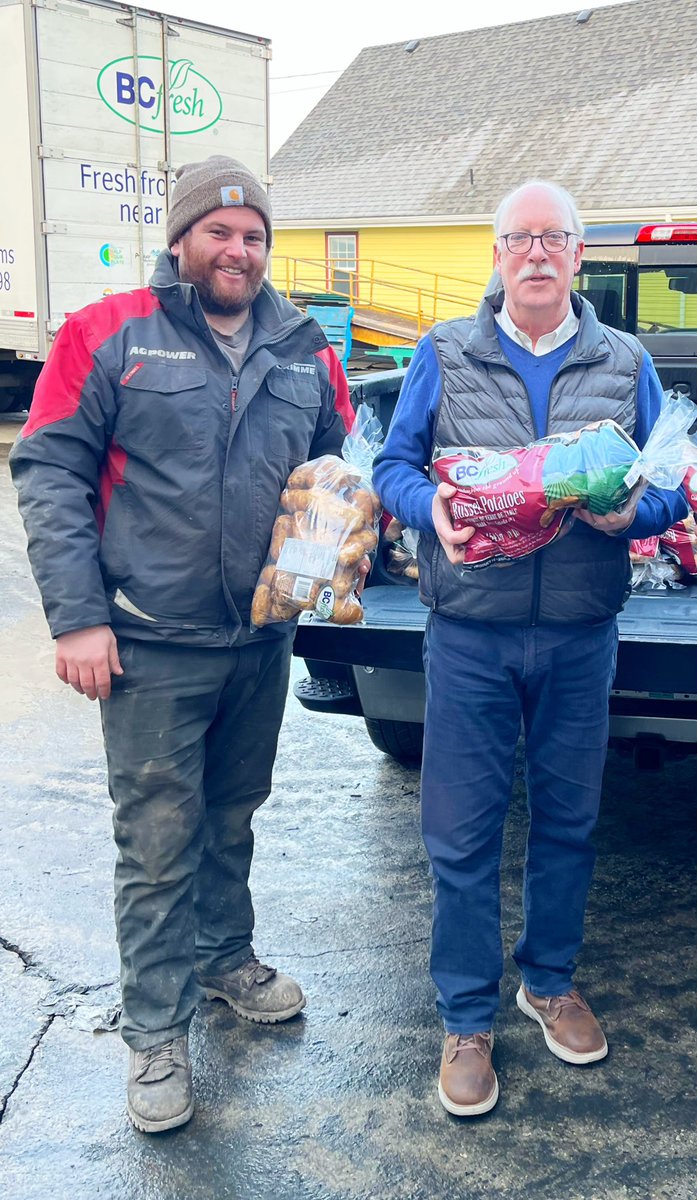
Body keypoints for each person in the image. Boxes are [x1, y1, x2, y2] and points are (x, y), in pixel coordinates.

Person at [11, 156, 355, 1134]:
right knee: (158, 842)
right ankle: (156, 1031)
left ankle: (223, 957)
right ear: (182, 239)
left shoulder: (303, 347)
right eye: (220, 232)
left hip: (260, 638)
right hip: (150, 642)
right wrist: (79, 617)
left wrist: (333, 563)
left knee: (233, 815)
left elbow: (333, 468)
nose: (238, 249)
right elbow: (49, 470)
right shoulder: (108, 334)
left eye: (254, 236)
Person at [374, 180, 687, 1117]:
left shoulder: (625, 360)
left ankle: (548, 982)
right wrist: (428, 510)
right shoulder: (444, 352)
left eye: (555, 238)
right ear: (498, 256)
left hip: (581, 635)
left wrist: (636, 513)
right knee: (460, 832)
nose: (538, 253)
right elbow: (392, 466)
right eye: (520, 238)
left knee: (568, 821)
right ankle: (467, 1017)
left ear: (579, 256)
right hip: (470, 634)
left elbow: (675, 482)